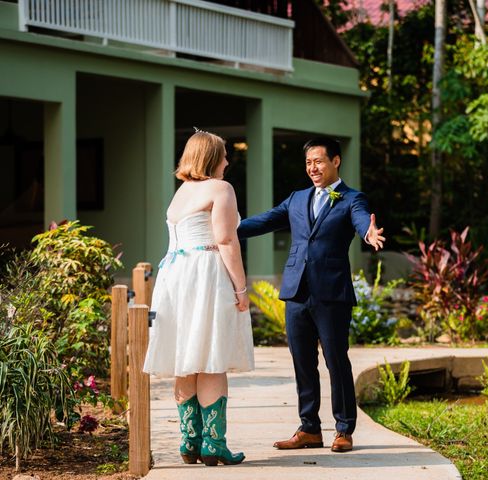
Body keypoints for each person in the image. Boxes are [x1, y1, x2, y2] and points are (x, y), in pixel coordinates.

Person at [238, 137, 385, 453]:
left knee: (336, 361)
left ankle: (344, 429)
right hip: (295, 291)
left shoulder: (351, 198)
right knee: (302, 362)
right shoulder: (297, 198)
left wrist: (369, 232)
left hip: (331, 293)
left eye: (318, 161)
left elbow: (361, 220)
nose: (312, 168)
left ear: (336, 161)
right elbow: (264, 221)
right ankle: (309, 429)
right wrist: (226, 228)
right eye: (308, 163)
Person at [143, 129, 254, 467]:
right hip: (205, 273)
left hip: (175, 275)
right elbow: (226, 241)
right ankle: (214, 445)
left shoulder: (181, 193)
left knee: (186, 357)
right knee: (210, 355)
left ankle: (189, 442)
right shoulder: (221, 189)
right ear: (210, 158)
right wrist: (241, 288)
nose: (227, 160)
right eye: (222, 154)